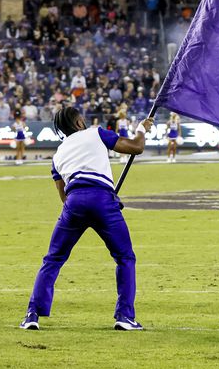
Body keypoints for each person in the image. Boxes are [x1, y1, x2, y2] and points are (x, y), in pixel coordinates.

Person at [21, 105, 151, 331]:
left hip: (74, 203)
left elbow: (63, 195)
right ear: (80, 122)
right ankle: (124, 316)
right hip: (102, 200)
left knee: (53, 259)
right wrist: (141, 129)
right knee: (125, 258)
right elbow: (136, 148)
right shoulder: (96, 133)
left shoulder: (58, 154)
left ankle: (32, 314)